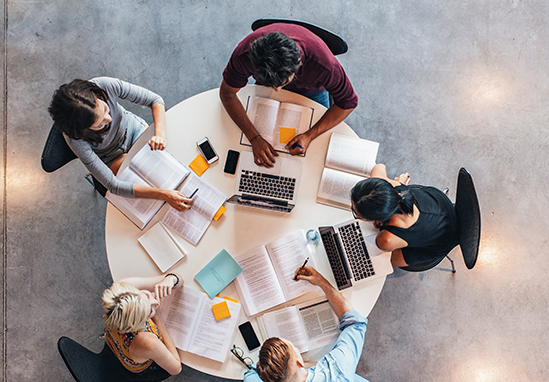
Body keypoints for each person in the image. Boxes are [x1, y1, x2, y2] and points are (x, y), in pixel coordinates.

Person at [220, 23, 358, 168]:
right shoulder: (244, 54)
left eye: (282, 83)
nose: (277, 91)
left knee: (315, 152)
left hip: (312, 91)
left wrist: (309, 135)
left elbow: (348, 103)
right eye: (273, 85)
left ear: (298, 62)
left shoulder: (325, 65)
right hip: (264, 87)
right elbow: (227, 93)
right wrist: (254, 137)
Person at [48, 77, 192, 211]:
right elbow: (113, 185)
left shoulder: (104, 85)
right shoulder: (75, 139)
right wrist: (164, 195)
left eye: (105, 109)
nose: (109, 119)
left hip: (135, 131)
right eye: (99, 124)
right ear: (83, 131)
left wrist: (159, 134)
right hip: (110, 157)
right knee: (151, 187)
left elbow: (155, 100)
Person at [243, 265, 374, 382]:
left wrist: (255, 370)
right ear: (300, 362)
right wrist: (322, 282)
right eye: (293, 347)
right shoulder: (337, 369)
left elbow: (250, 380)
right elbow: (355, 323)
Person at [350, 164, 459, 268]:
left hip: (443, 241)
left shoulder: (385, 240)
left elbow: (385, 246)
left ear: (374, 218)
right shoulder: (396, 188)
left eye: (357, 215)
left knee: (384, 262)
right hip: (441, 204)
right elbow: (379, 167)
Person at [102, 273, 183, 375]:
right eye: (150, 311)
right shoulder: (148, 342)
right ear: (139, 324)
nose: (156, 302)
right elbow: (176, 369)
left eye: (146, 295)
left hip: (113, 337)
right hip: (137, 361)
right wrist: (157, 318)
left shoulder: (122, 288)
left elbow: (178, 279)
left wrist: (171, 279)